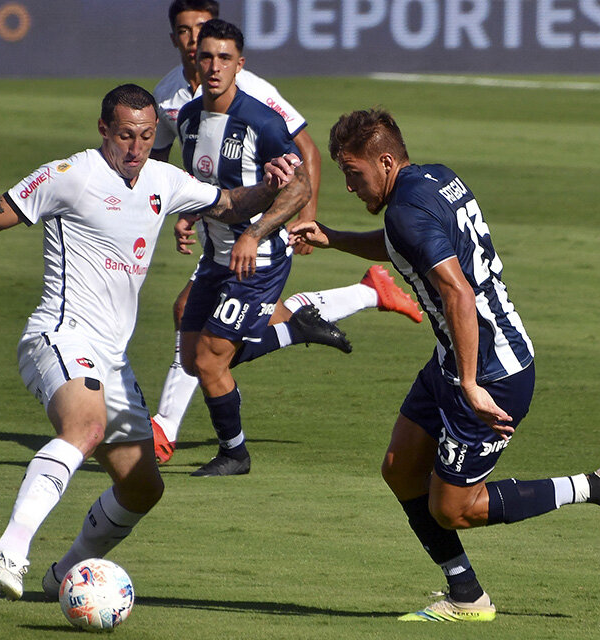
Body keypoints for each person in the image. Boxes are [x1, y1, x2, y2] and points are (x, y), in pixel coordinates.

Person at [0, 84, 302, 601]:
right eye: (124, 136)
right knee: (85, 426)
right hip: (60, 334)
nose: (135, 147)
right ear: (103, 131)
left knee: (143, 488)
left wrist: (270, 187)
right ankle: (8, 550)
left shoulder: (164, 179)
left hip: (112, 360)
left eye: (144, 135)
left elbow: (229, 204)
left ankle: (62, 575)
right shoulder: (70, 177)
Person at [289, 108, 600, 621]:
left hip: (490, 372)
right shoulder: (436, 178)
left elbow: (457, 292)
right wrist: (336, 237)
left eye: (353, 172)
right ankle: (467, 596)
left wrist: (471, 382)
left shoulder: (403, 212)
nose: (349, 185)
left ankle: (596, 486)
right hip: (457, 360)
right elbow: (409, 248)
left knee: (453, 508)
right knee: (400, 468)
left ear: (386, 161)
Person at [149, 0, 422, 466]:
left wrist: (262, 232)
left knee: (212, 357)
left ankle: (229, 453)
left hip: (260, 258)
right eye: (204, 55)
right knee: (196, 353)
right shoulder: (188, 115)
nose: (211, 64)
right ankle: (299, 324)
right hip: (217, 254)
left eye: (222, 57)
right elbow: (205, 183)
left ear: (240, 63)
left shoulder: (261, 119)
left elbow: (301, 180)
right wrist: (189, 214)